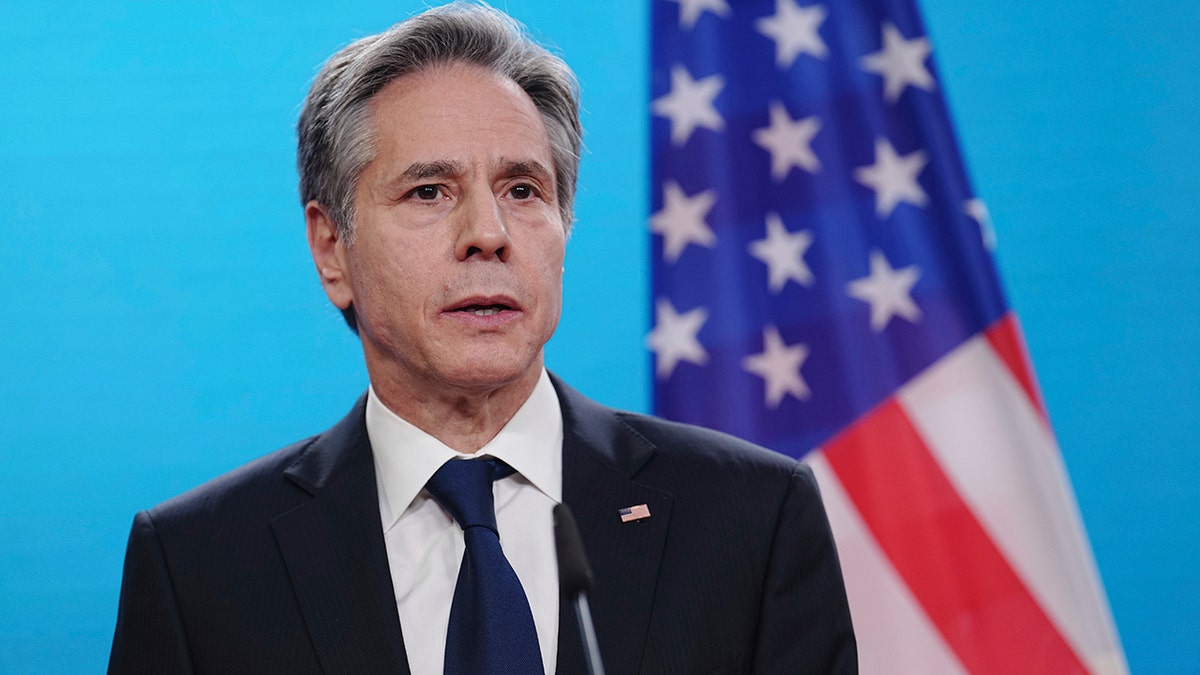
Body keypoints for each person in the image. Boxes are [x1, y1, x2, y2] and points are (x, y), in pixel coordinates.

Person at [108, 4, 857, 674]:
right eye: (429, 191)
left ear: (564, 225)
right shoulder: (200, 566)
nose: (489, 236)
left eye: (523, 190)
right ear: (332, 248)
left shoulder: (751, 517)